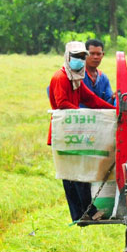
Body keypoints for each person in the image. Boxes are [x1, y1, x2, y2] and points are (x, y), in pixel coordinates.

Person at [47, 41, 114, 223]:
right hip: (65, 133)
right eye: (76, 56)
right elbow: (62, 104)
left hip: (74, 132)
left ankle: (84, 213)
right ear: (68, 57)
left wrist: (112, 110)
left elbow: (90, 99)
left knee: (77, 173)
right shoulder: (61, 77)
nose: (80, 60)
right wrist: (84, 113)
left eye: (81, 57)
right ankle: (84, 213)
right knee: (72, 175)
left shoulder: (76, 77)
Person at [79, 38, 114, 107]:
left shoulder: (103, 78)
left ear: (102, 55)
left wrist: (113, 97)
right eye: (92, 54)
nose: (95, 57)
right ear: (84, 54)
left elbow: (108, 102)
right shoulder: (77, 75)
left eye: (98, 54)